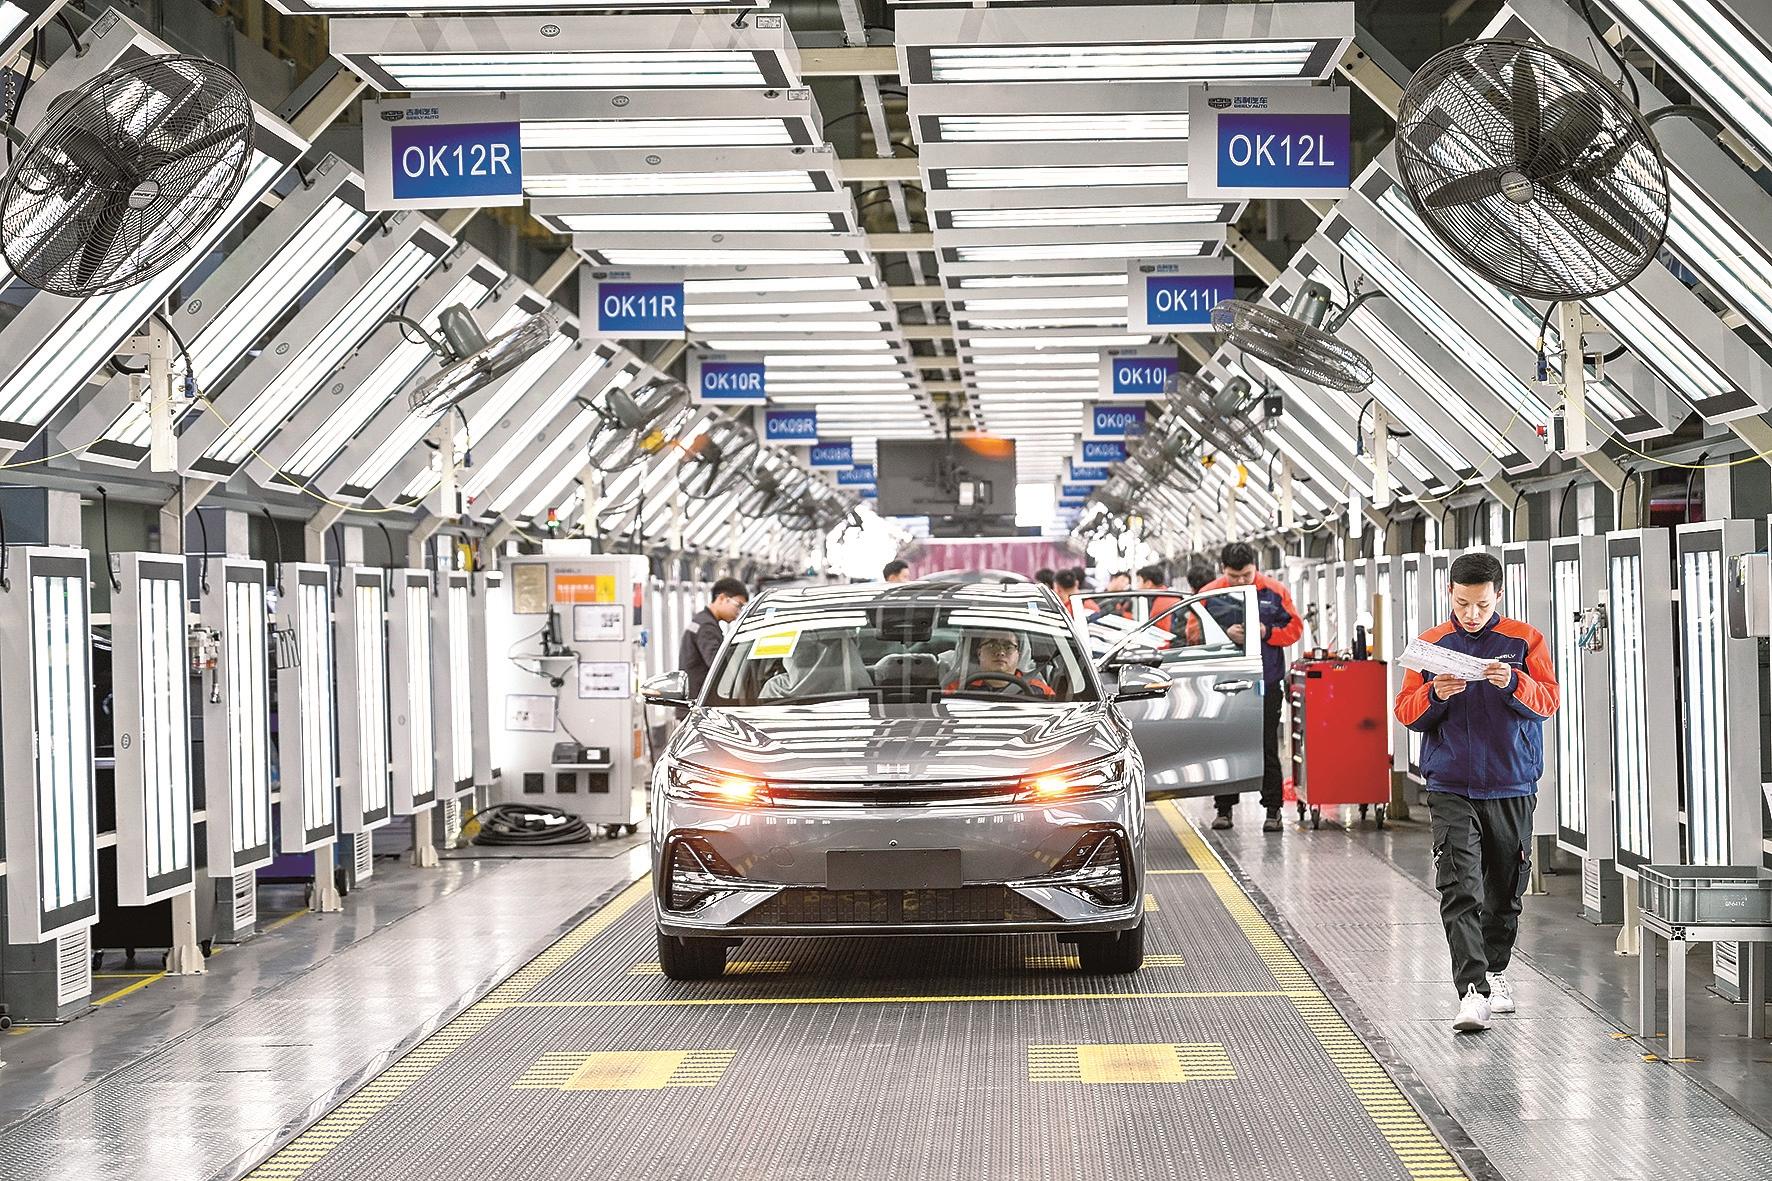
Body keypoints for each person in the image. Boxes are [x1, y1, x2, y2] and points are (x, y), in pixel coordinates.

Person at [1394, 552, 1559, 1034]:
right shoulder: (1430, 646)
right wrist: (1434, 695)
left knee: (1505, 887)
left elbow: (1548, 701)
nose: (1471, 614)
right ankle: (1473, 992)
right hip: (1451, 784)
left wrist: (1515, 682)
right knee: (1459, 885)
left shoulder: (1525, 640)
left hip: (1511, 782)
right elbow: (1405, 711)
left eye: (1482, 605)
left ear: (1498, 596)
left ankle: (1496, 969)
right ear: (1449, 593)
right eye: (1463, 603)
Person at [1196, 542, 1302, 833]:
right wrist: (1222, 634)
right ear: (1223, 570)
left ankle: (1273, 810)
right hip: (1223, 685)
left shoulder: (1275, 591)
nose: (1242, 581)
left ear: (1256, 567)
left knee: (1267, 744)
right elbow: (1191, 633)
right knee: (1224, 743)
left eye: (1247, 575)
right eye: (1234, 576)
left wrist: (1267, 632)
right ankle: (1224, 809)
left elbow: (1295, 629)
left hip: (1265, 683)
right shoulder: (1208, 595)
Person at [680, 577, 749, 699]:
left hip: (691, 699)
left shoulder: (701, 620)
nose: (739, 612)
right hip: (698, 702)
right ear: (722, 598)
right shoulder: (706, 627)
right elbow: (717, 665)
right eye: (738, 605)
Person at [943, 630, 1052, 697]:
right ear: (979, 653)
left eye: (1008, 647)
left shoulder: (1040, 691)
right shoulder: (957, 689)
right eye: (992, 646)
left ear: (1018, 655)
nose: (1000, 652)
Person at [1138, 563, 1181, 634]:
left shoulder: (1161, 604)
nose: (1137, 585)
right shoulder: (1165, 595)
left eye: (1139, 581)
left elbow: (1162, 636)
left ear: (1148, 584)